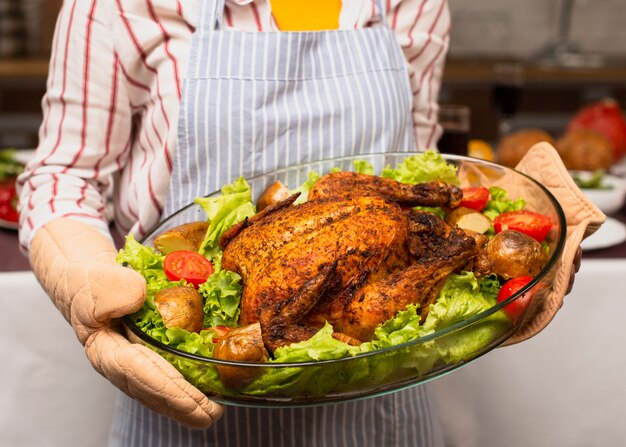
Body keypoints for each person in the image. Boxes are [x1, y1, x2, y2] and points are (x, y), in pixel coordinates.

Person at [17, 0, 595, 446]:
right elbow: (62, 174)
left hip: (384, 409)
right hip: (190, 408)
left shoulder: (410, 4)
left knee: (372, 283)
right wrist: (79, 276)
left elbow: (411, 156)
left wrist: (517, 235)